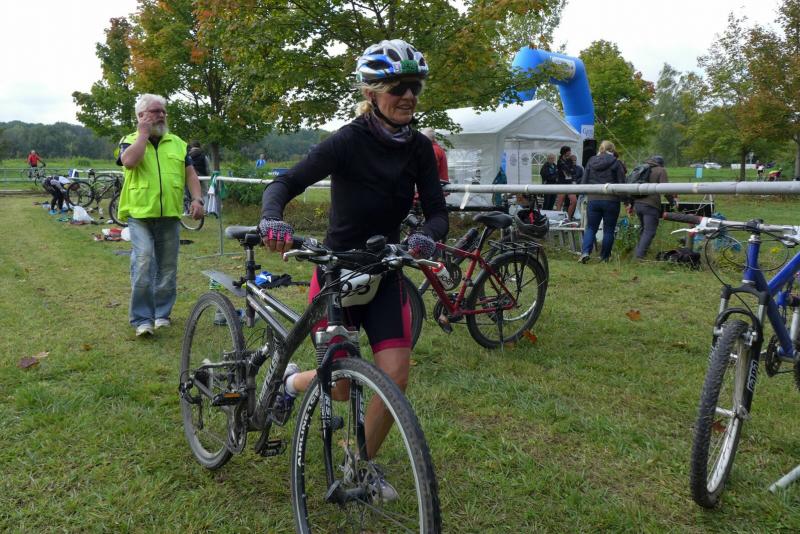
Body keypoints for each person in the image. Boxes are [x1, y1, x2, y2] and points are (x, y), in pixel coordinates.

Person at [259, 38, 448, 497]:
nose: (408, 96)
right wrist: (272, 218)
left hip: (385, 272)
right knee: (340, 385)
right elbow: (285, 183)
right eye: (398, 87)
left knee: (396, 375)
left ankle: (359, 464)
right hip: (336, 272)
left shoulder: (420, 148)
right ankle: (291, 383)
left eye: (415, 87)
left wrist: (427, 235)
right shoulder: (347, 141)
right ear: (371, 92)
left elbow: (438, 213)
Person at [116, 94, 204, 337]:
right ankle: (142, 319)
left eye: (163, 111)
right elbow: (129, 162)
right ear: (141, 115)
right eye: (155, 111)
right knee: (144, 260)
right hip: (140, 214)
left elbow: (190, 175)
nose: (162, 115)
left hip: (170, 215)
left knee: (167, 267)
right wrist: (143, 135)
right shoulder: (129, 141)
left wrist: (197, 199)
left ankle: (161, 314)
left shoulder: (177, 143)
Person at [578, 140, 625, 263]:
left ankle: (585, 252)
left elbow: (584, 181)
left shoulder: (591, 161)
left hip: (593, 199)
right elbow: (622, 183)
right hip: (611, 200)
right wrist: (626, 200)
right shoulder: (616, 162)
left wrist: (583, 195)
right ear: (612, 150)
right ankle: (604, 257)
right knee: (609, 229)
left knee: (590, 228)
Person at [630, 156, 675, 259]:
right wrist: (672, 202)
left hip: (638, 203)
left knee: (643, 229)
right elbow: (666, 190)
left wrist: (631, 204)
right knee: (649, 231)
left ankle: (637, 252)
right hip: (650, 205)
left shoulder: (642, 168)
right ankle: (639, 257)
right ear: (661, 163)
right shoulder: (661, 170)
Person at [555, 145, 577, 219]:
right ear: (565, 152)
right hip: (562, 183)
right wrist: (570, 169)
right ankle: (558, 218)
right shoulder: (560, 161)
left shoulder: (569, 160)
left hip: (569, 183)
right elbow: (568, 170)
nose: (570, 153)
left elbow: (574, 171)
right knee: (560, 202)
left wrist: (571, 168)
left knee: (574, 201)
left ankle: (568, 218)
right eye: (569, 151)